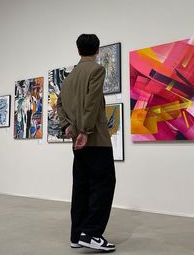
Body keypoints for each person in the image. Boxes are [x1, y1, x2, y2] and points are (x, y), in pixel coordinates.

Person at [57, 34, 116, 252]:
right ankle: (91, 233)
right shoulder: (97, 70)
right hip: (95, 139)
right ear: (98, 50)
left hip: (77, 141)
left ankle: (76, 235)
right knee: (103, 184)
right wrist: (85, 131)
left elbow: (59, 106)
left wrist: (67, 128)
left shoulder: (69, 78)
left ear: (78, 50)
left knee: (81, 186)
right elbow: (92, 103)